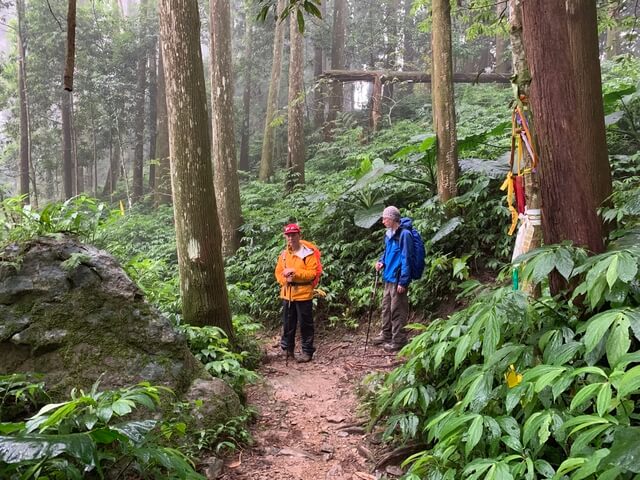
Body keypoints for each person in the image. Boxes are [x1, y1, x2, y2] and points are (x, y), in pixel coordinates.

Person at [373, 206, 414, 352]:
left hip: (398, 279)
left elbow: (407, 258)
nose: (383, 221)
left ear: (392, 218)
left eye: (385, 218)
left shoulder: (405, 235)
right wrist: (381, 262)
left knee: (397, 309)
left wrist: (404, 281)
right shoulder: (389, 234)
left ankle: (399, 340)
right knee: (386, 308)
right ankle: (386, 334)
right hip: (388, 277)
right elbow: (387, 253)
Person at [275, 223, 318, 363]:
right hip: (287, 294)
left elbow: (312, 273)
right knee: (288, 323)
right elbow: (278, 273)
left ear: (299, 235)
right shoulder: (284, 255)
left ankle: (307, 352)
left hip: (304, 294)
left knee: (306, 324)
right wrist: (284, 280)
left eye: (293, 235)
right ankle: (287, 349)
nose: (291, 238)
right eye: (288, 235)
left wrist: (295, 272)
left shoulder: (308, 254)